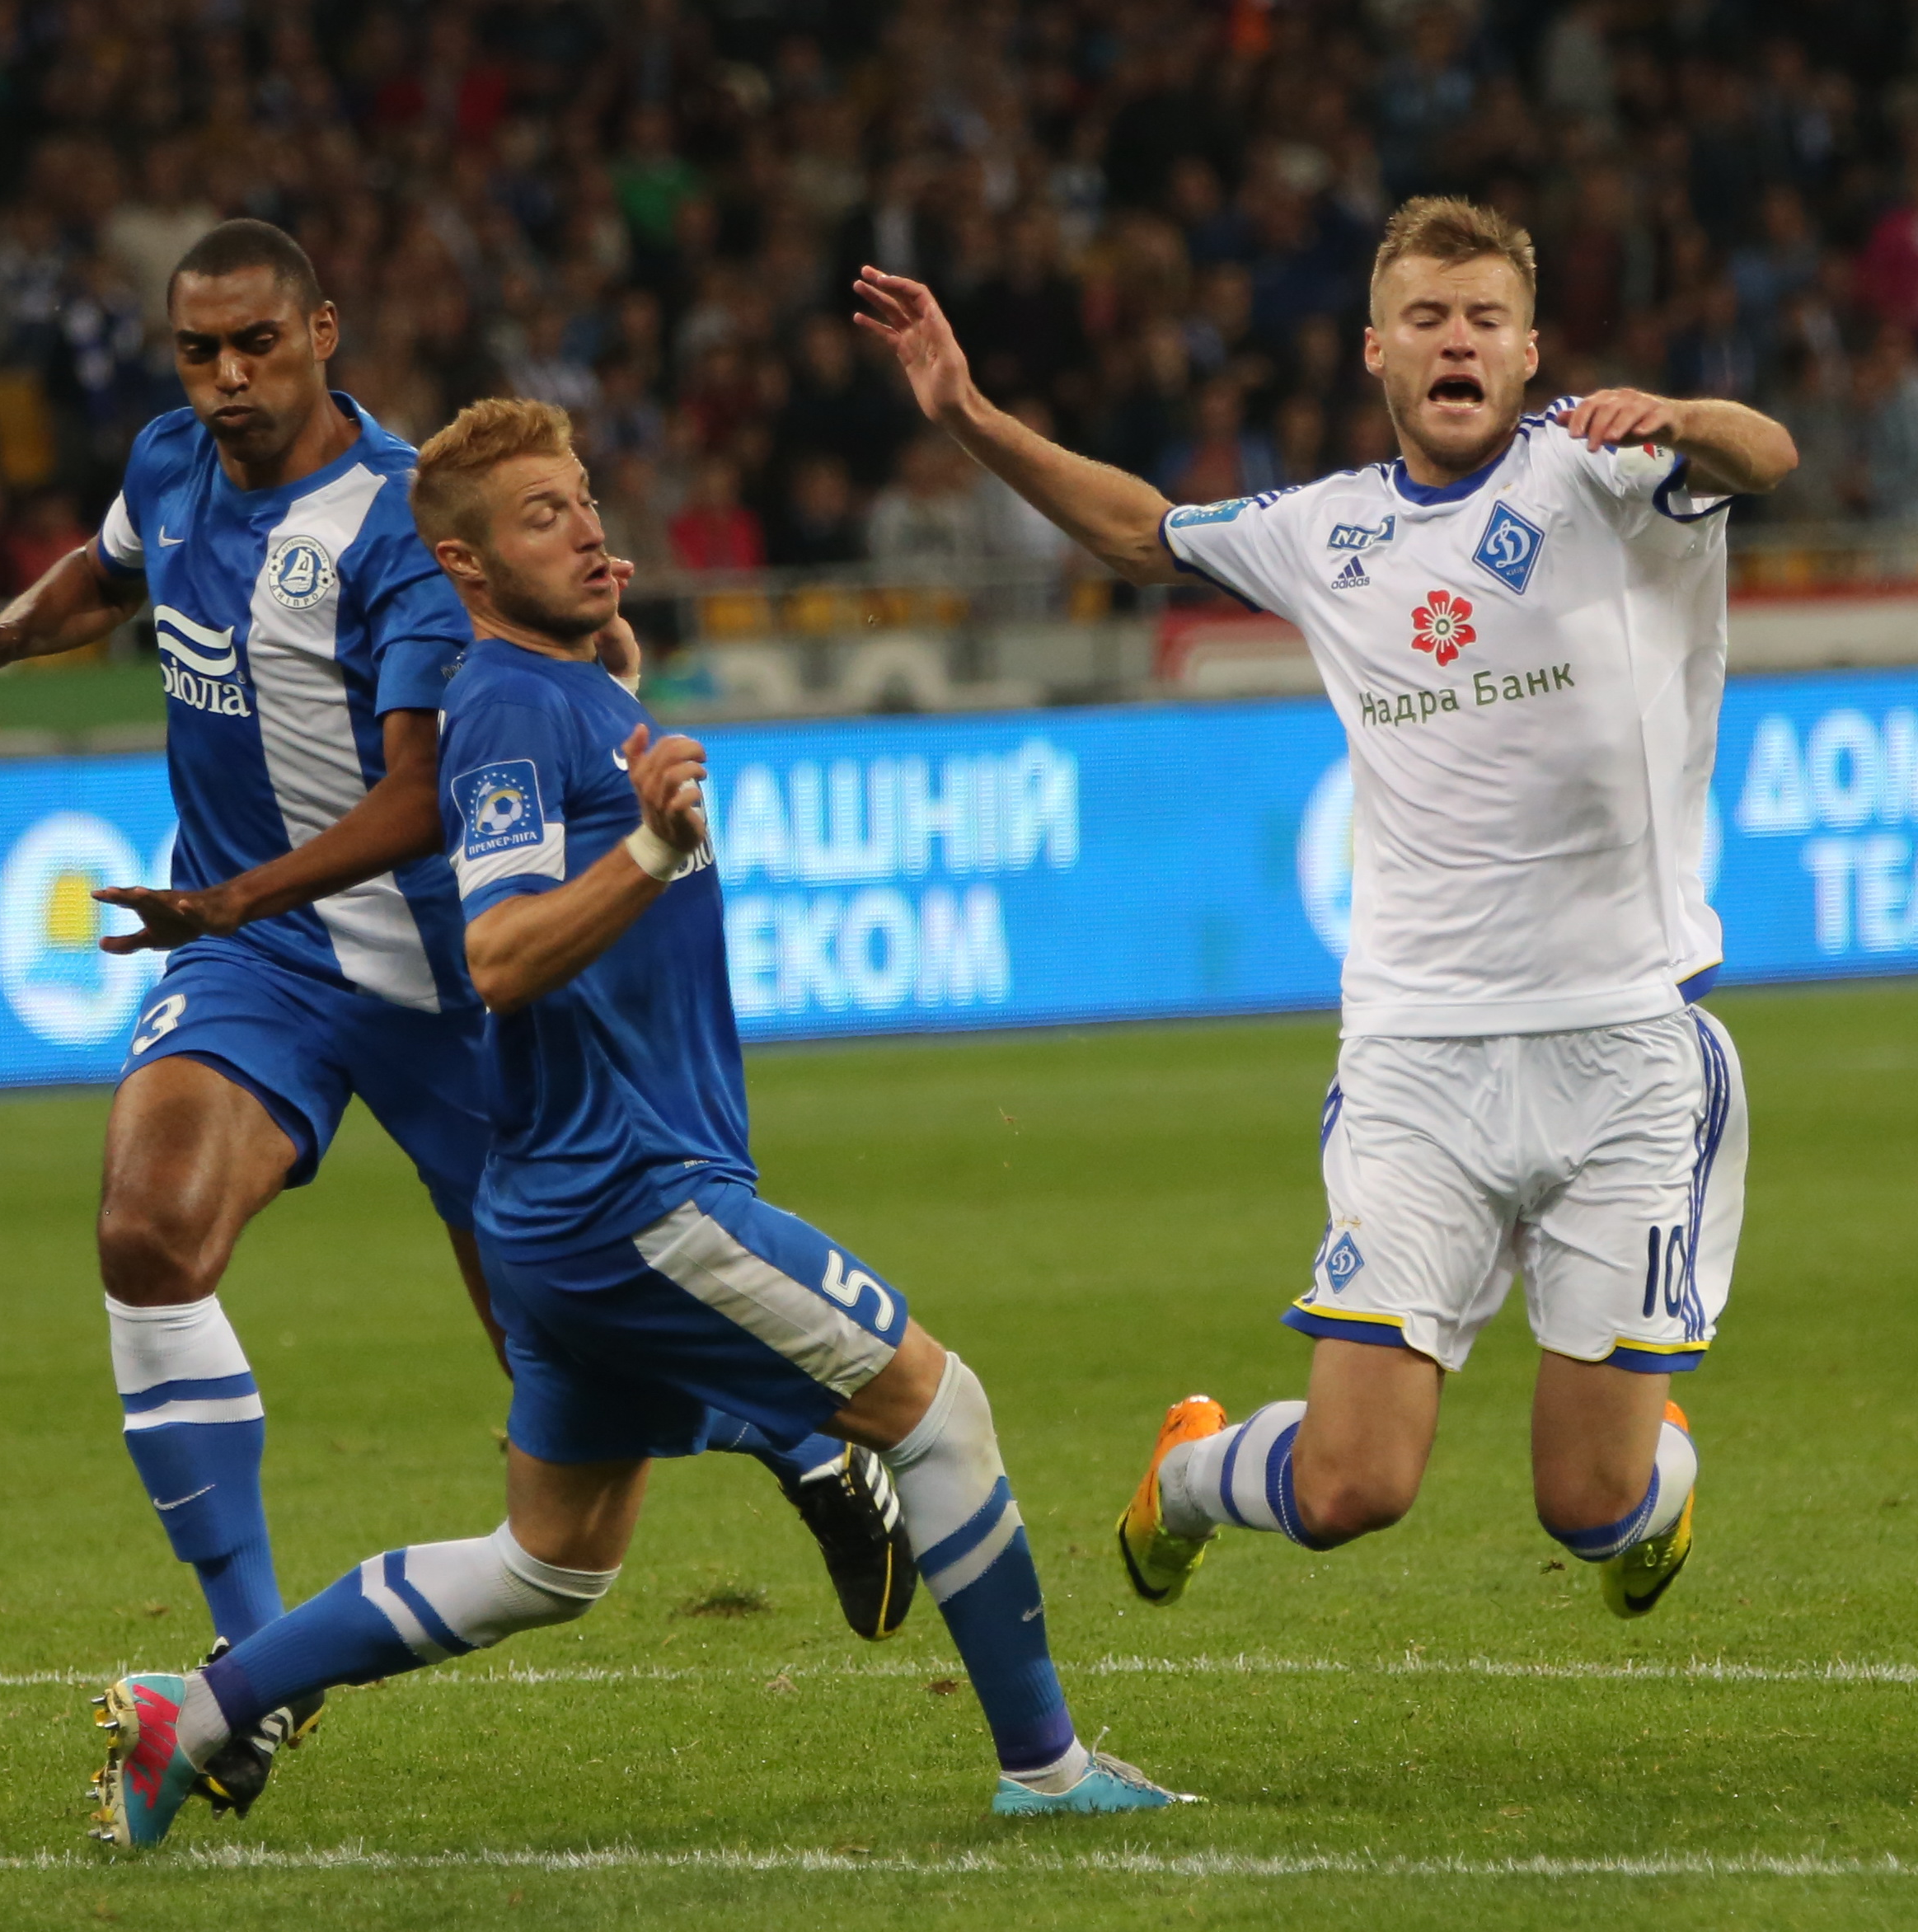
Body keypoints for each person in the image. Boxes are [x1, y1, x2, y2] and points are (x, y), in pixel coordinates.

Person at [87, 398, 1189, 1850]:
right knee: (942, 1409)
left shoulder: (568, 686)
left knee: (553, 1560)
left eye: (586, 497)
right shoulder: (503, 708)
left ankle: (204, 1715)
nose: (591, 526)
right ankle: (1047, 1767)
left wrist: (619, 702)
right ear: (468, 572)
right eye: (542, 515)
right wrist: (658, 846)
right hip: (633, 1197)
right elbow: (496, 956)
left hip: (567, 1204)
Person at [0, 221, 908, 1828]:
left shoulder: (395, 523)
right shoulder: (171, 460)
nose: (224, 379)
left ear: (323, 332)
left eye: (255, 345)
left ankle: (803, 1442)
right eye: (197, 351)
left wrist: (234, 898)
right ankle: (246, 1659)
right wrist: (3, 634)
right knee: (146, 1227)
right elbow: (107, 572)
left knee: (573, 1373)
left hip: (443, 980)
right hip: (256, 967)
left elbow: (422, 794)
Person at [853, 196, 1792, 1628]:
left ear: (1531, 351)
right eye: (1427, 318)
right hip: (1419, 1062)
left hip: (1626, 1054)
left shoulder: (1614, 475)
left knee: (1589, 1507)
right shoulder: (1326, 531)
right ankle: (1187, 1475)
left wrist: (1683, 414)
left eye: (1485, 319)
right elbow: (1137, 530)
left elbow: (1768, 456)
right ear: (1377, 350)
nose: (1456, 340)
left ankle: (1644, 1476)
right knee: (1355, 1488)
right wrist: (969, 411)